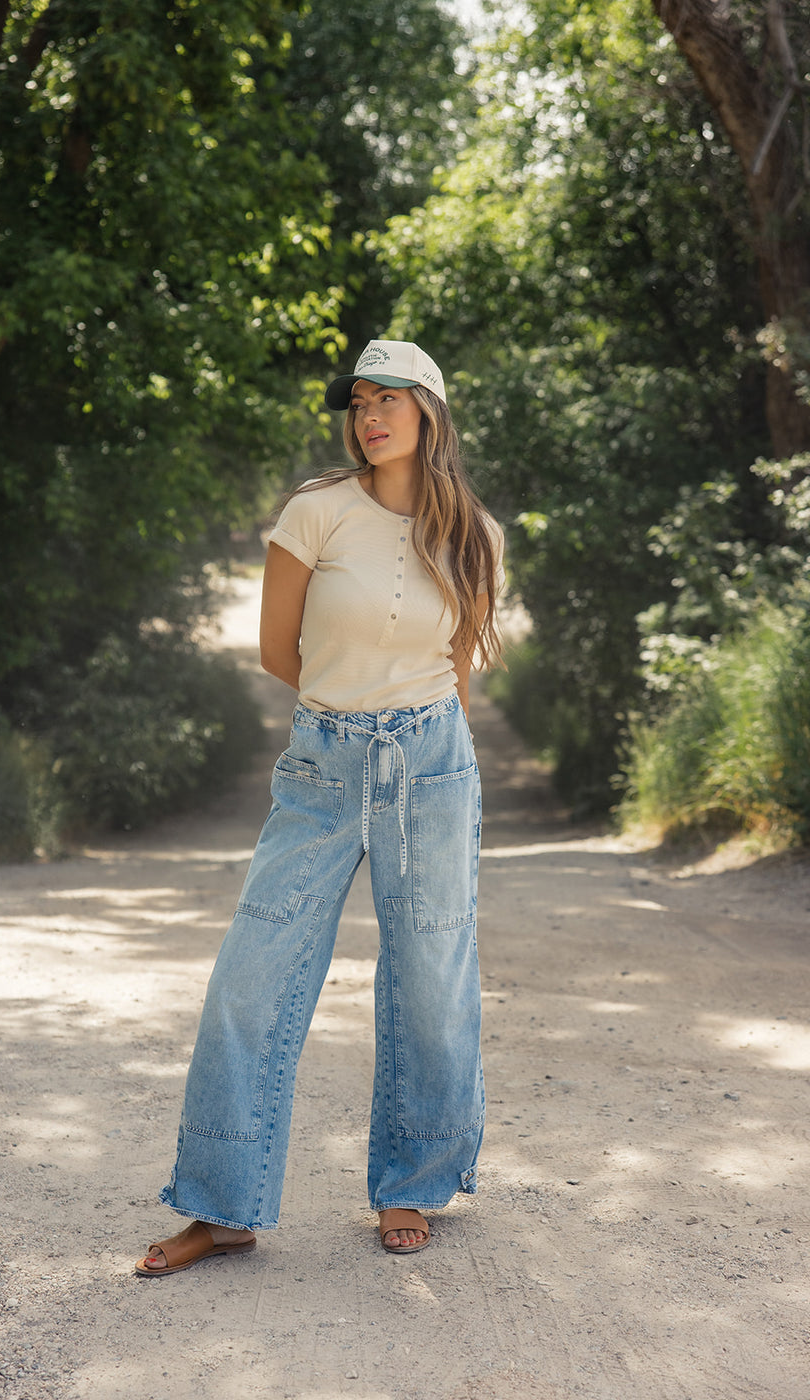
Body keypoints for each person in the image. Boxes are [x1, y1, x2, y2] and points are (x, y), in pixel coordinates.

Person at [135, 339, 505, 1275]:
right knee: (250, 977)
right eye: (359, 401)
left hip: (431, 762)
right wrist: (346, 721)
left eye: (391, 400)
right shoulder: (316, 513)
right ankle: (221, 1207)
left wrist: (413, 738)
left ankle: (413, 1184)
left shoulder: (473, 534)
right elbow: (276, 652)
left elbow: (456, 672)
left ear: (430, 413)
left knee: (431, 978)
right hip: (325, 761)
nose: (369, 415)